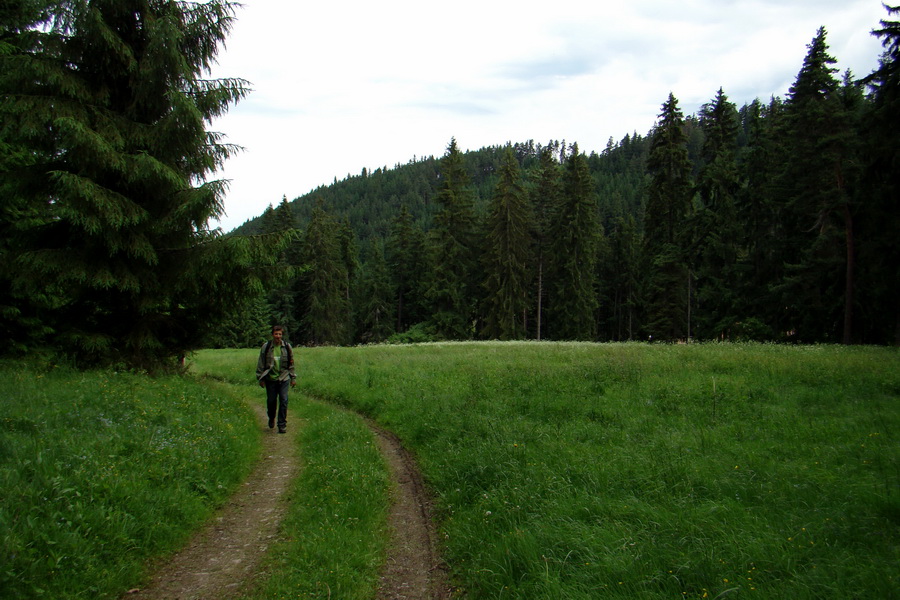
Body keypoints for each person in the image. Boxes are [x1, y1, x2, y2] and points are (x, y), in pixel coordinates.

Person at [256, 325, 296, 433]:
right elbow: (261, 362)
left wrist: (293, 377)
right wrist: (260, 378)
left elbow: (291, 363)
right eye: (276, 334)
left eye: (280, 334)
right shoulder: (267, 347)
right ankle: (271, 418)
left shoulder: (287, 347)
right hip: (270, 379)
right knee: (271, 401)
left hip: (284, 377)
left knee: (284, 400)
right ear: (272, 335)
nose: (278, 336)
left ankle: (282, 425)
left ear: (282, 335)